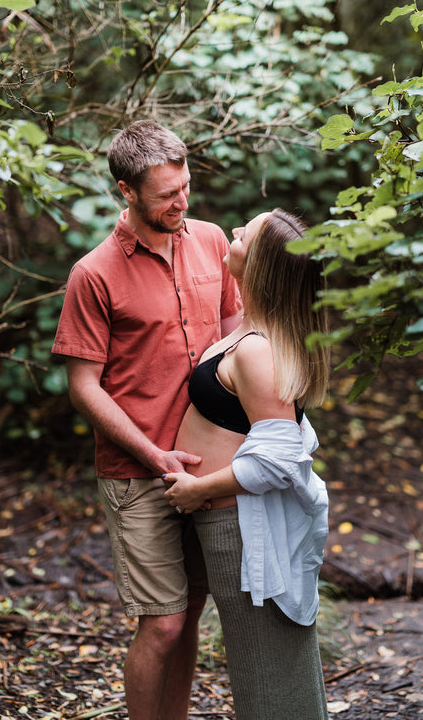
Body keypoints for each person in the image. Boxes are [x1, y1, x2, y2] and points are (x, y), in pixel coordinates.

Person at [51, 120, 242, 720]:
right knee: (160, 624)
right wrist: (152, 453)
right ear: (125, 191)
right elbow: (83, 386)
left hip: (208, 470)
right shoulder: (94, 273)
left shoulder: (212, 240)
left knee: (188, 615)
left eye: (185, 187)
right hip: (138, 474)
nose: (181, 203)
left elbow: (239, 331)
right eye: (166, 195)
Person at [163, 209, 330, 720]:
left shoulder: (258, 351)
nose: (233, 231)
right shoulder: (251, 333)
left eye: (245, 234)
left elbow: (280, 458)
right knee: (261, 663)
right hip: (227, 521)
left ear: (261, 266)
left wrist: (199, 489)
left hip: (240, 524)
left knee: (267, 670)